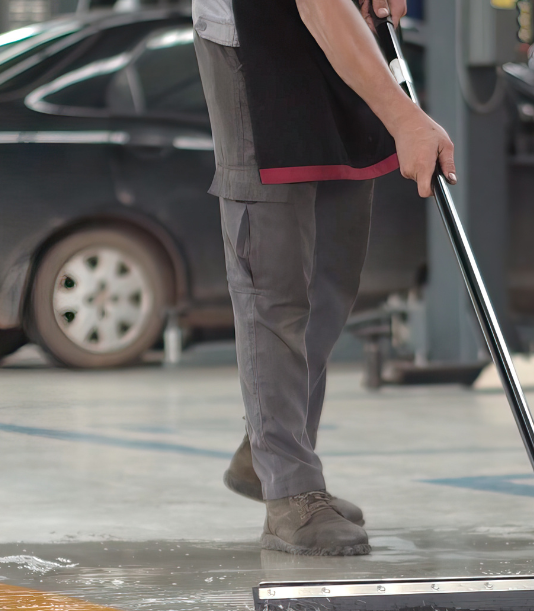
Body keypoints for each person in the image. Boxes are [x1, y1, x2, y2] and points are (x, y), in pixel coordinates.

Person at [193, 0, 456, 555]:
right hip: (254, 44)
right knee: (276, 276)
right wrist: (405, 116)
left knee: (331, 276)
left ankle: (267, 451)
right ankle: (290, 491)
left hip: (338, 35)